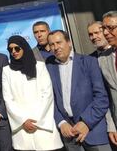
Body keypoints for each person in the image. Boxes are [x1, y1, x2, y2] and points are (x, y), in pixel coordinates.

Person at [46, 30, 111, 151]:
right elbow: (50, 100)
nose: (55, 47)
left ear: (69, 43)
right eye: (52, 44)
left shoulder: (89, 62)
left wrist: (86, 122)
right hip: (69, 134)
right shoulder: (49, 67)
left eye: (59, 42)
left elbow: (102, 98)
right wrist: (61, 122)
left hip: (93, 131)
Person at [2, 35, 63, 150]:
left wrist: (36, 121)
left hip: (42, 126)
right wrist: (23, 120)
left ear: (24, 47)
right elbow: (8, 99)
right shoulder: (7, 71)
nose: (14, 52)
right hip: (22, 129)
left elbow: (47, 94)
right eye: (10, 50)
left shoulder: (39, 66)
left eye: (17, 48)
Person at [99, 11, 117, 147]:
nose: (105, 33)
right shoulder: (103, 58)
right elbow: (106, 95)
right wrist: (111, 125)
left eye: (110, 28)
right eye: (103, 28)